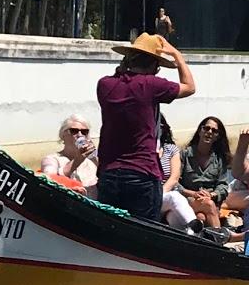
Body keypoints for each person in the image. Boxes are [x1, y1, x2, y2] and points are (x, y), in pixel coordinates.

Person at [94, 33, 197, 222]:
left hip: (109, 172)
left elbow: (122, 80)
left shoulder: (104, 85)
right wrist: (177, 55)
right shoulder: (151, 85)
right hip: (142, 173)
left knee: (110, 230)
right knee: (144, 230)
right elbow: (189, 87)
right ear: (154, 66)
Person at [177, 116, 233, 219]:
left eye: (214, 131)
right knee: (208, 205)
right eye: (206, 128)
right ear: (200, 131)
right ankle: (220, 234)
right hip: (188, 199)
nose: (210, 132)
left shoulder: (219, 159)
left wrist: (211, 195)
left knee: (201, 217)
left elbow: (223, 186)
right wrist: (193, 194)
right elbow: (175, 183)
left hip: (210, 199)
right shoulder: (185, 154)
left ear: (217, 137)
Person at [40, 117, 97, 190]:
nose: (80, 135)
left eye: (84, 132)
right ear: (63, 135)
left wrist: (94, 156)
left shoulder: (92, 161)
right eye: (74, 131)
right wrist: (78, 159)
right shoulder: (52, 159)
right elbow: (49, 180)